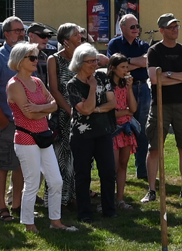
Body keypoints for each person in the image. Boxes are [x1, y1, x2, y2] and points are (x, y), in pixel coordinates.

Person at [6, 42, 72, 233]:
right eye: (32, 57)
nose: (37, 61)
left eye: (37, 57)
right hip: (26, 138)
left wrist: (38, 108)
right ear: (19, 60)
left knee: (56, 180)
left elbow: (54, 105)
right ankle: (28, 223)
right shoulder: (14, 85)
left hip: (43, 137)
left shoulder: (37, 82)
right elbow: (29, 115)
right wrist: (42, 109)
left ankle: (55, 221)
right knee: (32, 181)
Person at [147, 14, 182, 199]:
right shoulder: (155, 51)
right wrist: (179, 75)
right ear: (161, 30)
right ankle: (151, 190)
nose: (175, 30)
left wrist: (168, 74)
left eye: (176, 26)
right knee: (154, 148)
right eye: (171, 27)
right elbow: (154, 79)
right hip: (160, 104)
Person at [65, 44, 116, 222]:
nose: (95, 64)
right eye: (91, 62)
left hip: (103, 131)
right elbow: (85, 110)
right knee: (83, 174)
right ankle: (85, 212)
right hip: (82, 136)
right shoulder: (73, 85)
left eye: (96, 60)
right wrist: (93, 88)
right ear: (79, 63)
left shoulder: (103, 77)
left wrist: (97, 110)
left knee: (108, 172)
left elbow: (112, 103)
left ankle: (110, 209)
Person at [0, 17, 27, 220]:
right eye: (17, 30)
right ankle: (1, 207)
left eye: (22, 30)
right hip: (7, 121)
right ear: (6, 34)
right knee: (3, 164)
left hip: (26, 122)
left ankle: (17, 205)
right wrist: (1, 117)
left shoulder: (26, 56)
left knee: (20, 166)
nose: (21, 33)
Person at [106, 13, 153, 180]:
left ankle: (142, 171)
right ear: (122, 28)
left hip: (142, 88)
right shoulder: (114, 43)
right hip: (122, 89)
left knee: (142, 130)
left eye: (137, 26)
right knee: (121, 125)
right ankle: (117, 169)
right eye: (132, 27)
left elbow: (146, 62)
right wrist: (135, 62)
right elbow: (113, 66)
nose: (136, 29)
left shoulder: (144, 44)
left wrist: (125, 64)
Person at [46, 23, 85, 210]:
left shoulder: (82, 59)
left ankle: (76, 195)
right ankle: (59, 199)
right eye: (77, 35)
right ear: (66, 40)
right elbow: (53, 89)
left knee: (79, 156)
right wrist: (70, 110)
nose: (81, 37)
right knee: (61, 158)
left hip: (81, 113)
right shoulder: (54, 60)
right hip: (62, 114)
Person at [108, 54, 138, 208]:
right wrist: (125, 112)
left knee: (123, 164)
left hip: (125, 130)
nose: (126, 70)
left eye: (127, 67)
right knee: (111, 165)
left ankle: (120, 199)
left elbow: (133, 108)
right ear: (113, 68)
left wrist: (130, 88)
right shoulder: (107, 86)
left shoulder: (124, 85)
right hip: (113, 130)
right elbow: (110, 112)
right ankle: (107, 199)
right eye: (123, 67)